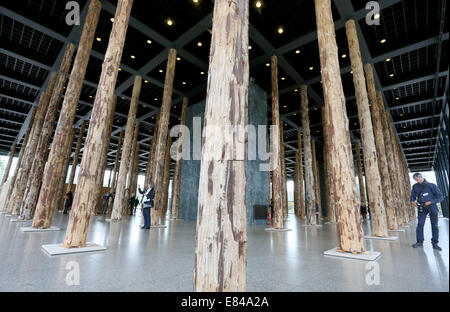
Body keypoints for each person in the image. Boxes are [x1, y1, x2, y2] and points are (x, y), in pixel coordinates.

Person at [410, 173, 444, 251]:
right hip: (421, 207)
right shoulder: (415, 186)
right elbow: (412, 196)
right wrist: (412, 201)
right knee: (420, 224)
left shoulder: (432, 185)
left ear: (421, 177)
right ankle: (419, 242)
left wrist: (431, 202)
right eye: (415, 180)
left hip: (432, 206)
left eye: (417, 179)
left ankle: (435, 243)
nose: (417, 181)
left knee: (434, 225)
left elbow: (440, 197)